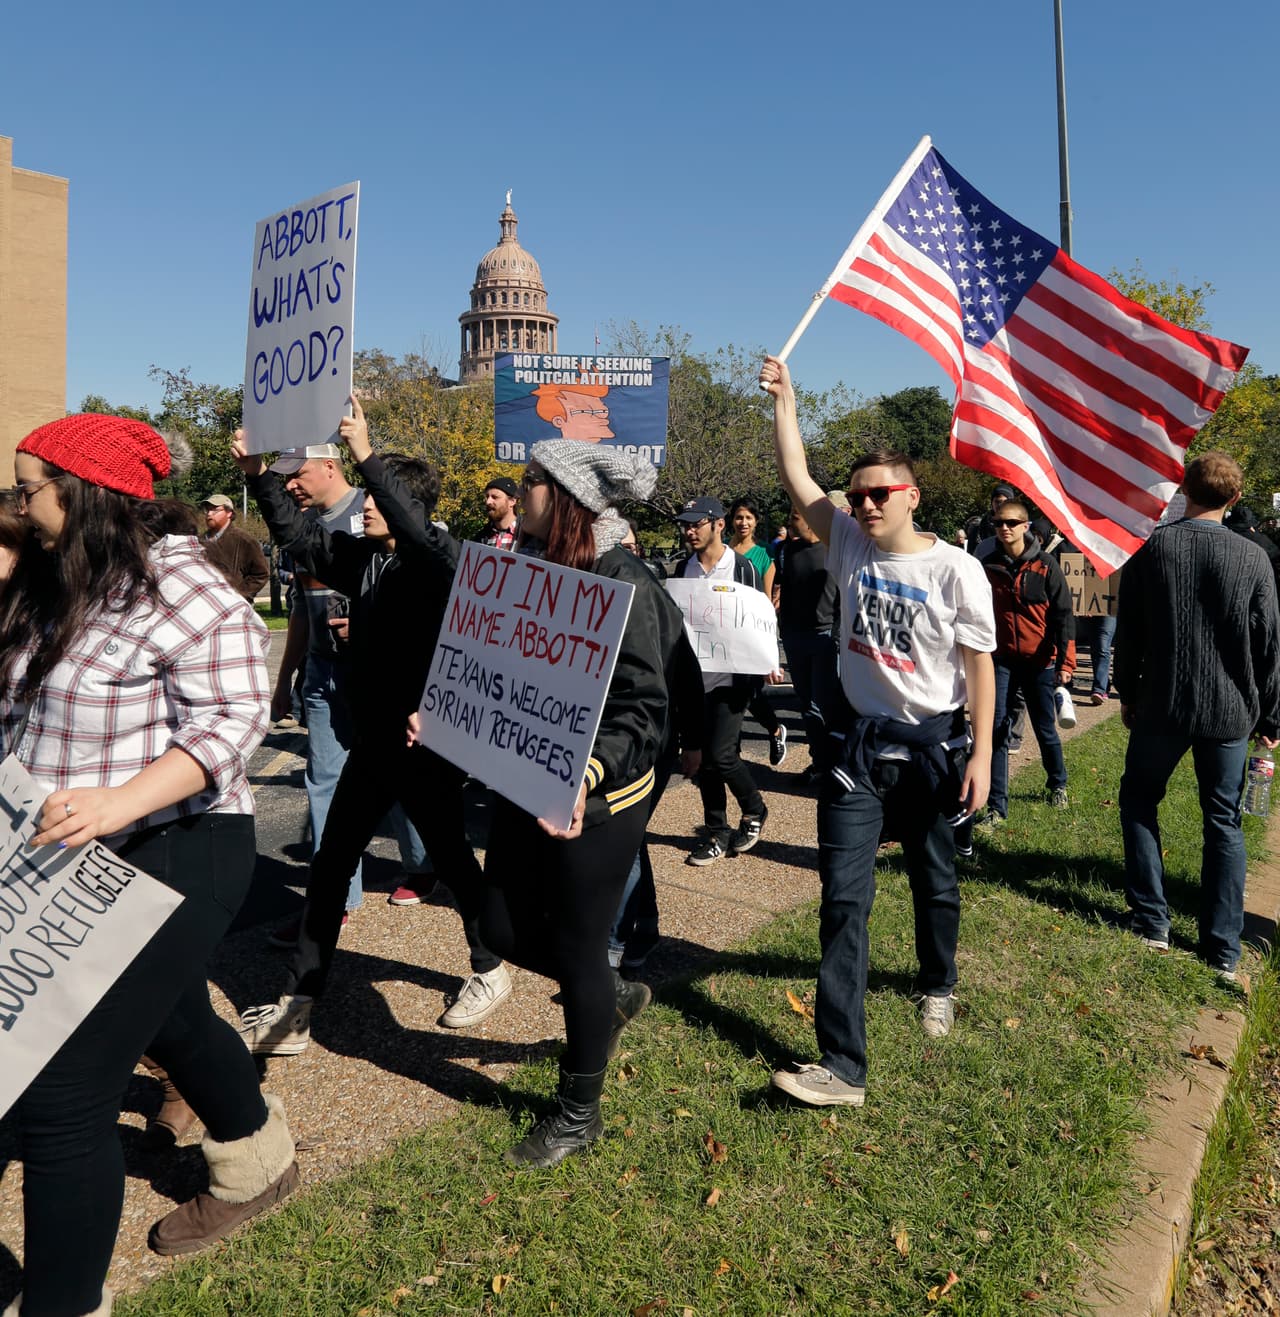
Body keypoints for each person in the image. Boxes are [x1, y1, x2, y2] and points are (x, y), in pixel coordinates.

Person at [1, 414, 297, 1317]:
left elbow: (227, 728)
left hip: (177, 848)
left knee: (57, 1091)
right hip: (55, 846)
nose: (17, 502)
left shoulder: (188, 592)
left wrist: (118, 802)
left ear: (83, 493)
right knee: (171, 1016)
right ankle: (256, 1155)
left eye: (29, 487)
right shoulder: (54, 580)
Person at [230, 402, 510, 1053]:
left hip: (428, 747)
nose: (366, 507)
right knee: (331, 864)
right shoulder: (365, 560)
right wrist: (259, 475)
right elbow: (300, 540)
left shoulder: (441, 559)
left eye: (380, 499)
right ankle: (300, 1002)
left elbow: (414, 531)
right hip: (375, 742)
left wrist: (364, 452)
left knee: (452, 861)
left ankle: (491, 966)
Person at [759, 355, 995, 1108]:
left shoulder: (959, 570)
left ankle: (939, 981)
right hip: (857, 750)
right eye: (856, 494)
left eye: (877, 493)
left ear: (911, 496)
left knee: (934, 879)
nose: (862, 505)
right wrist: (787, 401)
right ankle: (843, 1064)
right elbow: (799, 479)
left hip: (930, 748)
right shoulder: (850, 545)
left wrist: (983, 753)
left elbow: (980, 669)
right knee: (843, 898)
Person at [477, 440, 670, 1167]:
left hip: (599, 797)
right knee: (498, 927)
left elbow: (644, 708)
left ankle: (577, 1110)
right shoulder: (529, 571)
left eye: (529, 481)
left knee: (581, 948)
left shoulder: (627, 581)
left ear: (559, 496)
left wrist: (589, 771)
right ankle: (609, 993)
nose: (518, 490)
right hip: (525, 782)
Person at [1114, 452, 1280, 979]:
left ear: (1184, 491)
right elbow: (1270, 644)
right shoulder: (1253, 557)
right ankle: (1223, 945)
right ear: (1234, 499)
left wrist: (1126, 691)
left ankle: (1152, 919)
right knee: (1223, 820)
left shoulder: (1154, 548)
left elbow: (1130, 630)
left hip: (1163, 702)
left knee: (1140, 801)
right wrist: (1271, 718)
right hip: (1230, 710)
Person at [675, 495, 770, 865]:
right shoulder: (685, 568)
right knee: (703, 763)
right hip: (696, 679)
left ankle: (755, 808)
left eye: (697, 523)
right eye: (686, 523)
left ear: (718, 524)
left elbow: (757, 616)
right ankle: (716, 832)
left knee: (722, 754)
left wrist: (763, 664)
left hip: (733, 678)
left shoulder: (743, 567)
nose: (689, 530)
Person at [973, 499, 1074, 826]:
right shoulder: (987, 566)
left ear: (1026, 527)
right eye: (999, 523)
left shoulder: (1046, 566)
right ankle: (996, 808)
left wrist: (1066, 663)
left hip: (1040, 663)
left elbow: (1063, 616)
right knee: (997, 731)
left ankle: (1057, 784)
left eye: (1012, 522)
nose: (1004, 528)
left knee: (1045, 728)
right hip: (1000, 661)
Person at [774, 503, 840, 782]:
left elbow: (843, 598)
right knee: (806, 702)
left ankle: (829, 765)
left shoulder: (834, 550)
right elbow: (783, 588)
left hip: (824, 636)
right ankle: (820, 762)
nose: (790, 522)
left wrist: (837, 635)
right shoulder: (787, 551)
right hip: (794, 636)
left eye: (795, 517)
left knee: (822, 705)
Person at [726, 496, 788, 767]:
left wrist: (768, 647)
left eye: (749, 518)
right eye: (739, 517)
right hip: (723, 628)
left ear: (756, 521)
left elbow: (765, 598)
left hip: (750, 629)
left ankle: (775, 730)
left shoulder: (764, 554)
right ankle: (731, 751)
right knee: (725, 689)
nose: (743, 522)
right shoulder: (722, 549)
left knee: (750, 691)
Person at [199, 492, 269, 602]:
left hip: (233, 607)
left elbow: (261, 574)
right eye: (207, 510)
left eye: (215, 510)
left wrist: (239, 595)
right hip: (204, 605)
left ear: (229, 513)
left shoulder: (244, 540)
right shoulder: (198, 541)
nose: (209, 513)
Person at [478, 475, 521, 549]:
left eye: (495, 497)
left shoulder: (527, 537)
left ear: (512, 501)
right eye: (487, 497)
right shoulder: (482, 537)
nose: (488, 502)